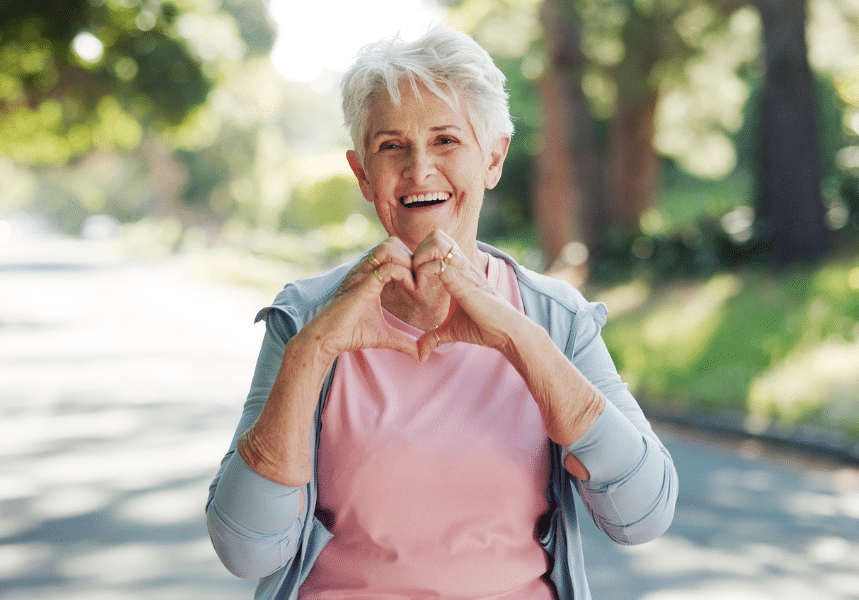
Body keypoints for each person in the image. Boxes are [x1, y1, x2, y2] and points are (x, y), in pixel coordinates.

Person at [207, 26, 677, 600]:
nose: (419, 169)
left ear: (493, 158)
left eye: (447, 140)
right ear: (362, 173)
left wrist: (514, 335)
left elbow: (642, 515)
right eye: (391, 146)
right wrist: (313, 351)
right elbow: (247, 548)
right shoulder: (306, 319)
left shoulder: (556, 319)